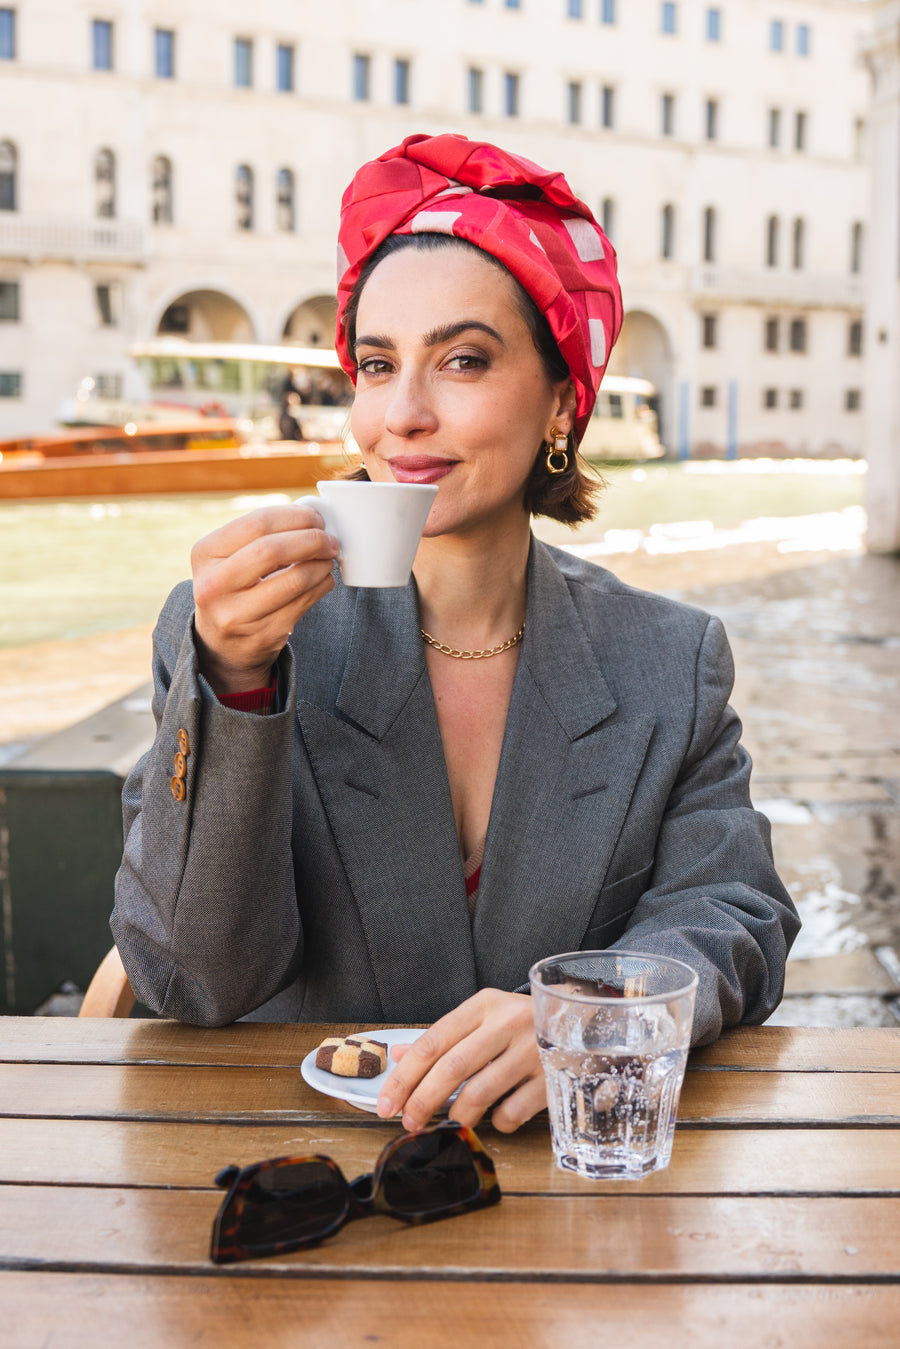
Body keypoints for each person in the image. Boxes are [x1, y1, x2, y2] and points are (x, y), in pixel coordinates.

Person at [112, 133, 799, 1136]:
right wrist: (237, 683)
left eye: (463, 359)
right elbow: (195, 977)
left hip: (580, 1198)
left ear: (562, 398)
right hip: (302, 1196)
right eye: (378, 363)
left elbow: (738, 914)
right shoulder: (231, 632)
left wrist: (593, 1015)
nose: (403, 413)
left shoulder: (669, 659)